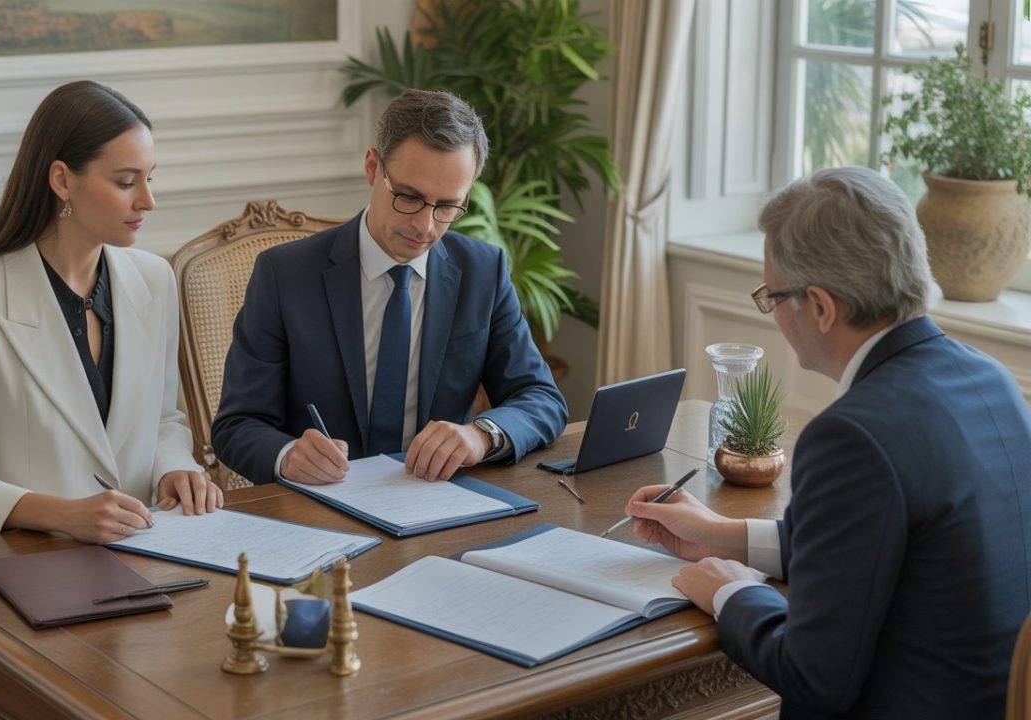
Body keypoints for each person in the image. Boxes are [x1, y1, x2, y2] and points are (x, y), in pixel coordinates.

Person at [624, 167, 1031, 718]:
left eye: (773, 295)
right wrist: (722, 537)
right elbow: (887, 545)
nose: (773, 312)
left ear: (819, 305)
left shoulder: (852, 435)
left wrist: (731, 591)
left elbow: (813, 678)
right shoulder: (991, 379)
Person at [212, 89, 567, 486]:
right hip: (322, 510)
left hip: (440, 504)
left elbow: (541, 398)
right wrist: (287, 455)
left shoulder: (484, 270)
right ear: (372, 167)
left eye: (447, 206)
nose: (426, 226)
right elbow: (237, 425)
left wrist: (479, 435)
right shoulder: (284, 274)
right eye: (409, 197)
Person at [0, 80, 222, 545]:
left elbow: (164, 421)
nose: (147, 200)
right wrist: (66, 515)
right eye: (126, 182)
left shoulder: (154, 279)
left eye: (150, 178)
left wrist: (176, 469)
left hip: (140, 550)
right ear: (62, 179)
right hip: (14, 562)